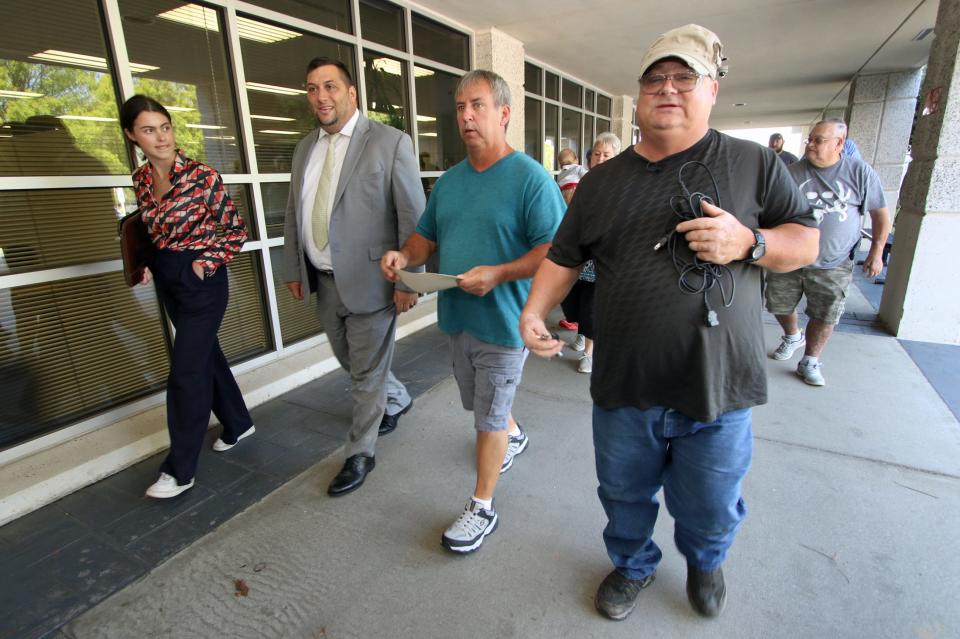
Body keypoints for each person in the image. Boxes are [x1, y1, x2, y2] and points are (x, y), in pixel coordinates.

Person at [520, 24, 819, 620]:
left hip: (718, 384)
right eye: (655, 78)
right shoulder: (602, 182)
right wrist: (534, 309)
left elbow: (806, 240)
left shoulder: (754, 164)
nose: (668, 88)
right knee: (623, 493)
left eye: (685, 77)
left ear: (712, 88)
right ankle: (632, 563)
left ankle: (706, 561)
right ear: (638, 94)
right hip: (625, 383)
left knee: (709, 501)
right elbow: (564, 255)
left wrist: (748, 241)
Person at [381, 69, 565, 554]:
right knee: (482, 406)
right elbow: (426, 237)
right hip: (459, 319)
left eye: (477, 105)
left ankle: (482, 507)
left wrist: (500, 273)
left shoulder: (530, 178)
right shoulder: (450, 182)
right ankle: (514, 433)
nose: (466, 116)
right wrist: (404, 257)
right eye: (460, 107)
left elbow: (555, 250)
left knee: (486, 419)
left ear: (503, 113)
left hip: (507, 322)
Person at [283, 57, 424, 497]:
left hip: (373, 280)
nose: (320, 96)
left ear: (351, 93)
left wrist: (407, 281)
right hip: (325, 281)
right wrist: (294, 266)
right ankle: (397, 398)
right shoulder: (305, 148)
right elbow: (294, 212)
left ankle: (359, 453)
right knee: (351, 359)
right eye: (311, 88)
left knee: (363, 374)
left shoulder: (390, 142)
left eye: (329, 86)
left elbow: (413, 218)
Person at [120, 95, 255, 499]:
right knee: (204, 355)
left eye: (164, 126)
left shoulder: (202, 176)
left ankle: (179, 470)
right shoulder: (141, 180)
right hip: (167, 275)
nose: (160, 137)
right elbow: (149, 231)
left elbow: (235, 231)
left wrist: (205, 262)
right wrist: (145, 262)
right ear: (132, 135)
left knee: (186, 371)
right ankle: (237, 422)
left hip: (202, 278)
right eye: (148, 129)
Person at [765, 119, 890, 386]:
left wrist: (876, 252)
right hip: (790, 257)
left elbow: (880, 214)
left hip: (833, 261)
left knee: (825, 313)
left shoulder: (860, 173)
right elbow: (770, 211)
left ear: (839, 143)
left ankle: (810, 360)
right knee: (778, 304)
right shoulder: (791, 172)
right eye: (810, 138)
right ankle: (792, 335)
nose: (810, 144)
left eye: (818, 140)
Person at [560, 132, 621, 374]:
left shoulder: (620, 185)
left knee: (591, 308)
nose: (601, 158)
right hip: (578, 255)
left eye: (607, 155)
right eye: (597, 154)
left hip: (602, 259)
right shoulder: (583, 181)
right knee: (573, 303)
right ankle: (581, 333)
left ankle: (589, 352)